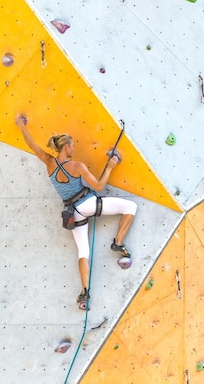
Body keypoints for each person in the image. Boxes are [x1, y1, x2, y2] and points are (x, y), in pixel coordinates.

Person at [14, 114, 137, 310]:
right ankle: (118, 243)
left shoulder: (49, 163)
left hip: (72, 213)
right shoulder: (77, 166)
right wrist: (110, 167)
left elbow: (33, 146)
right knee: (131, 207)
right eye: (72, 145)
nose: (74, 148)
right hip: (86, 204)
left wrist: (22, 127)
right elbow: (98, 185)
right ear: (66, 147)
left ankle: (84, 293)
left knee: (83, 251)